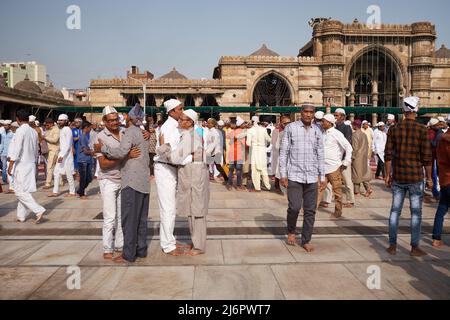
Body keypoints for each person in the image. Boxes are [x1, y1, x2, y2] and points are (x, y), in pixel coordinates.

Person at [95, 104, 150, 263]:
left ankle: (127, 252)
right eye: (111, 120)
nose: (115, 122)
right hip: (116, 180)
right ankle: (115, 248)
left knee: (128, 219)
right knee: (118, 218)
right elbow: (104, 164)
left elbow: (120, 152)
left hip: (129, 181)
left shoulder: (128, 132)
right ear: (104, 121)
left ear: (127, 118)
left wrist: (104, 148)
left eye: (116, 119)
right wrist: (126, 156)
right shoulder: (100, 136)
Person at [158, 110, 211, 255]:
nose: (179, 122)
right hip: (193, 175)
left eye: (182, 120)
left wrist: (164, 147)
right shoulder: (191, 134)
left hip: (194, 177)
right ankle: (196, 243)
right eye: (180, 119)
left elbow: (175, 158)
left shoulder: (188, 136)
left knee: (197, 211)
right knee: (194, 209)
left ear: (190, 122)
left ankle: (199, 246)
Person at [385, 96, 432, 257]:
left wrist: (387, 176)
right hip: (415, 178)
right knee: (416, 213)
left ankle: (392, 245)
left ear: (404, 111)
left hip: (398, 176)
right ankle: (414, 247)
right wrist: (430, 178)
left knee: (394, 211)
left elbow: (388, 155)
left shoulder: (394, 129)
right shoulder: (422, 130)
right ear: (415, 110)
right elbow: (427, 157)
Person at [279, 105, 326, 252]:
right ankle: (291, 230)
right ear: (301, 113)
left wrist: (322, 176)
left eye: (311, 112)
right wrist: (283, 174)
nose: (308, 114)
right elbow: (283, 152)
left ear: (313, 115)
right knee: (294, 207)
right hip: (294, 174)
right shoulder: (291, 128)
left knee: (310, 210)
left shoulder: (318, 130)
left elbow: (320, 154)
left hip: (311, 176)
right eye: (305, 112)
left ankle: (306, 239)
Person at [154, 99, 185, 256]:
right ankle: (167, 245)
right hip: (165, 168)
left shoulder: (175, 126)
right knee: (168, 209)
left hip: (171, 169)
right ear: (172, 111)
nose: (182, 111)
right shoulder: (168, 127)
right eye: (180, 109)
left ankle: (169, 240)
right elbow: (166, 152)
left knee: (171, 208)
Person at [8, 109, 46, 223]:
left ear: (18, 119)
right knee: (24, 190)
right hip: (31, 163)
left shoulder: (20, 131)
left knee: (19, 191)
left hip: (22, 164)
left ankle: (38, 210)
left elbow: (17, 148)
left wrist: (11, 164)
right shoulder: (33, 131)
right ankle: (21, 216)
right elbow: (36, 149)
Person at [317, 114, 352, 218]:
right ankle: (310, 209)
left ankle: (338, 212)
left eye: (324, 121)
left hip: (334, 167)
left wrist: (346, 162)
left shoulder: (336, 134)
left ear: (330, 123)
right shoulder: (323, 134)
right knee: (319, 189)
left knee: (337, 191)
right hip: (323, 167)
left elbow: (348, 147)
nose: (322, 123)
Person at [49, 114, 76, 197]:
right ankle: (55, 191)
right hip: (62, 154)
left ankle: (72, 192)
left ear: (66, 121)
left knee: (68, 174)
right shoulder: (63, 129)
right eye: (59, 120)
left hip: (66, 156)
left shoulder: (67, 129)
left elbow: (68, 145)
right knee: (56, 172)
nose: (59, 122)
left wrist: (62, 156)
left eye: (61, 120)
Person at [431, 129, 450, 247]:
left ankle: (436, 238)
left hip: (444, 179)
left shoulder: (440, 139)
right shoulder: (447, 140)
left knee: (442, 208)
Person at [334, 108, 355, 208]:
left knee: (347, 181)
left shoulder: (346, 128)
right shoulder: (333, 128)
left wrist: (345, 161)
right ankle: (327, 200)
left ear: (342, 117)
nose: (335, 117)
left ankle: (350, 200)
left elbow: (347, 144)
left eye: (337, 115)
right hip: (334, 158)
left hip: (343, 159)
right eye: (335, 115)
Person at [247, 116, 271, 192]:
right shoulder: (264, 129)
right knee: (264, 169)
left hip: (255, 150)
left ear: (252, 121)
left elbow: (248, 143)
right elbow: (269, 139)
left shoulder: (250, 130)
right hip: (262, 150)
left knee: (255, 170)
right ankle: (268, 186)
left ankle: (257, 188)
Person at [351, 120, 373, 197]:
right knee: (364, 173)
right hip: (364, 156)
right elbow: (367, 145)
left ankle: (356, 192)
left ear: (355, 126)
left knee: (356, 174)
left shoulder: (354, 135)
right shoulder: (364, 134)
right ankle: (368, 188)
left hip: (357, 157)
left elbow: (355, 147)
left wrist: (352, 157)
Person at [271, 115, 291, 194]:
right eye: (285, 123)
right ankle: (277, 186)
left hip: (288, 154)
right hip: (277, 153)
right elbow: (273, 143)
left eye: (288, 123)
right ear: (281, 123)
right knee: (277, 171)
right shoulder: (276, 130)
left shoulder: (290, 130)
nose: (287, 124)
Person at [225, 118, 246, 191]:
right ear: (240, 125)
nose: (245, 125)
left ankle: (229, 184)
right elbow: (244, 144)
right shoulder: (242, 132)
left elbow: (227, 137)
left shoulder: (232, 131)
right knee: (239, 170)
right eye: (243, 124)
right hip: (239, 153)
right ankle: (238, 185)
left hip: (231, 153)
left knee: (231, 170)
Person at [206, 118, 228, 182]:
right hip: (211, 151)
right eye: (208, 123)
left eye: (209, 123)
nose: (208, 124)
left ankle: (226, 179)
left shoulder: (214, 132)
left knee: (218, 166)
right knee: (208, 165)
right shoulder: (210, 131)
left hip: (215, 151)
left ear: (213, 124)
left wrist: (208, 151)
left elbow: (214, 143)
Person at [77, 121, 94, 199]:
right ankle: (81, 193)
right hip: (83, 160)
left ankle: (80, 190)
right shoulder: (83, 137)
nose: (90, 129)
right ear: (86, 128)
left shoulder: (85, 137)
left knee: (89, 178)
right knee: (84, 178)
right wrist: (93, 152)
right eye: (90, 128)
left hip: (87, 160)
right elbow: (85, 151)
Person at [43, 118, 60, 189]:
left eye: (47, 124)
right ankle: (60, 181)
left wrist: (45, 138)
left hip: (54, 150)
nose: (46, 126)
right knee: (55, 167)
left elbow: (55, 140)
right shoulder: (48, 129)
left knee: (50, 167)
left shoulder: (56, 129)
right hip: (49, 150)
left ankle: (48, 183)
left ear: (51, 124)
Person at [0, 120, 13, 185]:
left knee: (10, 167)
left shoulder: (12, 133)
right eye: (4, 125)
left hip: (10, 153)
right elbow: (1, 143)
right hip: (3, 153)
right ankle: (4, 180)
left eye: (6, 125)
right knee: (4, 167)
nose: (5, 126)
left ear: (9, 125)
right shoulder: (2, 133)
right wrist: (0, 151)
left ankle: (12, 181)